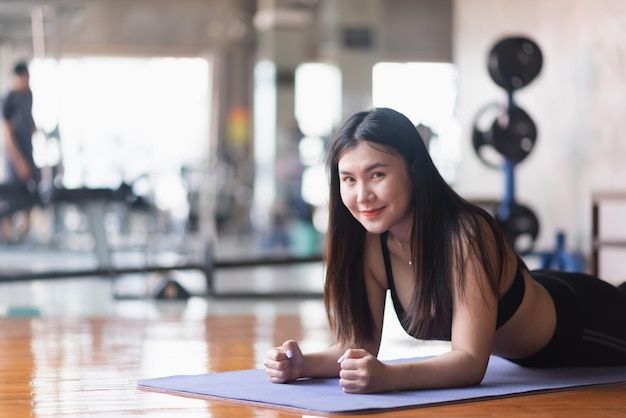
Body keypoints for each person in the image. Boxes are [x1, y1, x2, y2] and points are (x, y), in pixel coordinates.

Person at [264, 107, 626, 394]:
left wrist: (390, 378)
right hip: (538, 305)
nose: (362, 196)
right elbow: (357, 346)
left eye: (377, 175)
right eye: (349, 179)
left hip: (583, 325)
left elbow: (469, 362)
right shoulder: (371, 245)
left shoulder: (466, 234)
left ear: (414, 169)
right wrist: (301, 365)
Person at [1, 61, 39, 242]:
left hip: (28, 150)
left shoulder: (28, 94)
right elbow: (7, 135)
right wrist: (18, 161)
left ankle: (25, 232)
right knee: (12, 195)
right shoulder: (7, 99)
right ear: (19, 77)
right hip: (13, 155)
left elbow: (30, 118)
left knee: (30, 191)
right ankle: (5, 234)